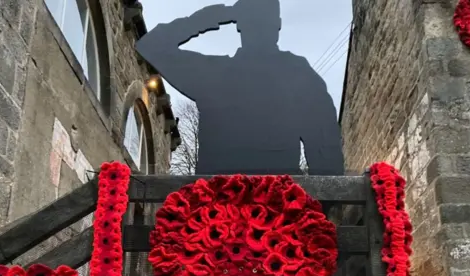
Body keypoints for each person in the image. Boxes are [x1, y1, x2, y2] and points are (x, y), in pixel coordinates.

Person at [136, 0, 345, 175]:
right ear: (278, 24)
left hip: (226, 208)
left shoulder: (213, 74)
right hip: (271, 207)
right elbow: (326, 154)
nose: (260, 28)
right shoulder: (300, 75)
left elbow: (152, 45)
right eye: (256, 21)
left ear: (238, 24)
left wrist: (213, 17)